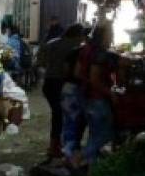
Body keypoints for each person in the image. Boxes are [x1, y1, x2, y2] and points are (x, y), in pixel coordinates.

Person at [70, 22, 120, 165]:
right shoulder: (99, 53)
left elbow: (77, 73)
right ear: (103, 35)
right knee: (105, 134)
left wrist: (88, 83)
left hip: (85, 96)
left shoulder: (86, 49)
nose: (112, 35)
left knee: (94, 132)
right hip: (97, 98)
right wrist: (110, 93)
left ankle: (91, 167)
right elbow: (95, 78)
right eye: (110, 32)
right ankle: (78, 157)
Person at [37, 24, 85, 158]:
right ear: (77, 35)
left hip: (48, 83)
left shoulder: (51, 43)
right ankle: (57, 146)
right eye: (81, 36)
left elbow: (40, 62)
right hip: (62, 83)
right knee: (64, 115)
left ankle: (56, 145)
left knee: (58, 114)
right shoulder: (75, 47)